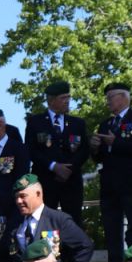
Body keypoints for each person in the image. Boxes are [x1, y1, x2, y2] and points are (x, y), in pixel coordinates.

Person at [92, 82, 132, 262]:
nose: (108, 102)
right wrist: (95, 147)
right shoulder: (106, 124)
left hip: (131, 183)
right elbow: (99, 157)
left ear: (124, 97)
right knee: (111, 230)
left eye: (111, 97)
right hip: (109, 185)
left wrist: (116, 142)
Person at [1, 175, 92, 262]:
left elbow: (85, 246)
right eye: (16, 197)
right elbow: (4, 254)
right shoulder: (15, 223)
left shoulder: (58, 220)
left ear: (38, 194)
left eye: (23, 196)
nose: (18, 201)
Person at [27, 80, 91, 217]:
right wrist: (53, 166)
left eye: (68, 97)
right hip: (46, 182)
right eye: (63, 98)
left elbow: (84, 150)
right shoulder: (35, 122)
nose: (67, 101)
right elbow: (31, 150)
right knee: (45, 221)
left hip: (71, 183)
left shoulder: (77, 123)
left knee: (72, 222)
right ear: (51, 100)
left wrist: (69, 169)